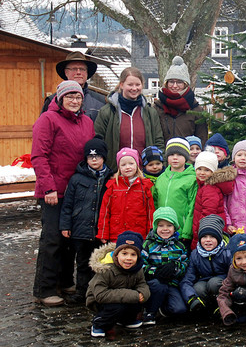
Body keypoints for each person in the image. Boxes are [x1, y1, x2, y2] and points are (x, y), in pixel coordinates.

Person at [32, 80, 95, 306]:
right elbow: (39, 156)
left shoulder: (87, 122)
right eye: (69, 97)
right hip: (54, 191)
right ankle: (44, 288)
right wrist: (48, 186)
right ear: (59, 99)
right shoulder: (47, 120)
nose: (74, 101)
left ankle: (64, 280)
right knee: (53, 239)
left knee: (70, 239)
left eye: (78, 97)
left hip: (77, 190)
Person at [59, 137, 113, 304]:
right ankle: (81, 292)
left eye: (97, 156)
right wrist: (65, 225)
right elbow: (67, 205)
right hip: (80, 229)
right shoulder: (77, 179)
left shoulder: (111, 178)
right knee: (82, 263)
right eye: (90, 157)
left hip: (100, 230)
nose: (94, 160)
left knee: (99, 263)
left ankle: (98, 293)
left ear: (104, 157)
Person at [94, 66, 164, 171]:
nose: (134, 88)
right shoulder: (107, 112)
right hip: (116, 173)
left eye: (137, 85)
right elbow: (98, 141)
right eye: (130, 85)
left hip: (144, 173)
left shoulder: (150, 112)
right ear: (121, 85)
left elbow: (158, 141)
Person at [87, 231, 150, 337]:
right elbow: (100, 295)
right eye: (124, 254)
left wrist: (143, 293)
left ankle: (126, 320)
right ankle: (99, 324)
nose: (128, 258)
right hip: (102, 301)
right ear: (117, 254)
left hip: (124, 297)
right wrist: (133, 295)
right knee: (118, 306)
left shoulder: (137, 269)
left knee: (135, 303)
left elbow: (142, 283)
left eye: (133, 254)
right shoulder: (106, 269)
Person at [141, 207, 189, 324]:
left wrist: (174, 268)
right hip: (154, 283)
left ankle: (163, 308)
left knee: (179, 309)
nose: (165, 229)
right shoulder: (148, 244)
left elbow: (185, 263)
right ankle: (150, 311)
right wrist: (155, 271)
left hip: (171, 283)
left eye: (169, 225)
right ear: (156, 227)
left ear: (175, 227)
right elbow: (141, 265)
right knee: (159, 286)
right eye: (161, 225)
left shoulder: (179, 246)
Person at [96, 148, 155, 242]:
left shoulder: (144, 186)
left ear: (137, 165)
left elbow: (150, 212)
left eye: (131, 163)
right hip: (116, 235)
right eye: (123, 165)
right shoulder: (113, 186)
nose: (127, 167)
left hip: (139, 234)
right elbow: (105, 211)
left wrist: (150, 233)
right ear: (119, 167)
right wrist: (103, 233)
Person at [180, 215, 232, 315]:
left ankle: (223, 306)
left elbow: (233, 274)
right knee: (198, 287)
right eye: (204, 237)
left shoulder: (226, 253)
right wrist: (191, 297)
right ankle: (207, 308)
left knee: (214, 283)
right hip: (204, 282)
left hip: (223, 284)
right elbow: (187, 279)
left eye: (212, 237)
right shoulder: (195, 254)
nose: (208, 240)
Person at [153, 56, 208, 144]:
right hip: (163, 156)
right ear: (166, 84)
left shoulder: (196, 110)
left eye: (179, 82)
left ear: (185, 84)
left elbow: (202, 139)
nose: (174, 86)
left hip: (188, 156)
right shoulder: (157, 108)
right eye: (171, 82)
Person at [153, 138, 198, 245]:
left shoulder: (191, 179)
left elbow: (192, 207)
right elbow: (155, 202)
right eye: (171, 154)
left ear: (186, 157)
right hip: (162, 231)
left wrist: (187, 232)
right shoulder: (161, 178)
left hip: (180, 232)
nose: (175, 158)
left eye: (179, 155)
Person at [191, 151, 236, 249]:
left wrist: (200, 233)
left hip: (208, 232)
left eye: (207, 170)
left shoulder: (209, 189)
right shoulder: (203, 186)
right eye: (199, 169)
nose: (202, 173)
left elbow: (208, 214)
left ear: (213, 172)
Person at [41, 51, 105, 121]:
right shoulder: (52, 101)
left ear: (87, 72)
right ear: (66, 72)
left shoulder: (101, 101)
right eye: (74, 69)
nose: (78, 72)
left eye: (82, 69)